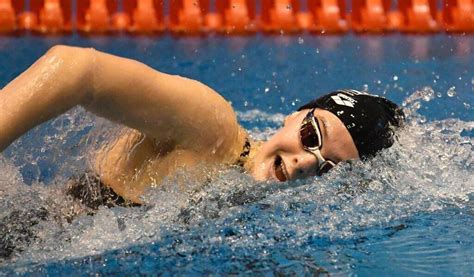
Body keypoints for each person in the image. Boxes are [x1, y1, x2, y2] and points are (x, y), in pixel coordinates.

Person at [0, 45, 404, 208]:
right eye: (312, 137)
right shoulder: (212, 128)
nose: (304, 163)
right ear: (295, 115)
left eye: (327, 167)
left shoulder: (248, 202)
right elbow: (78, 69)